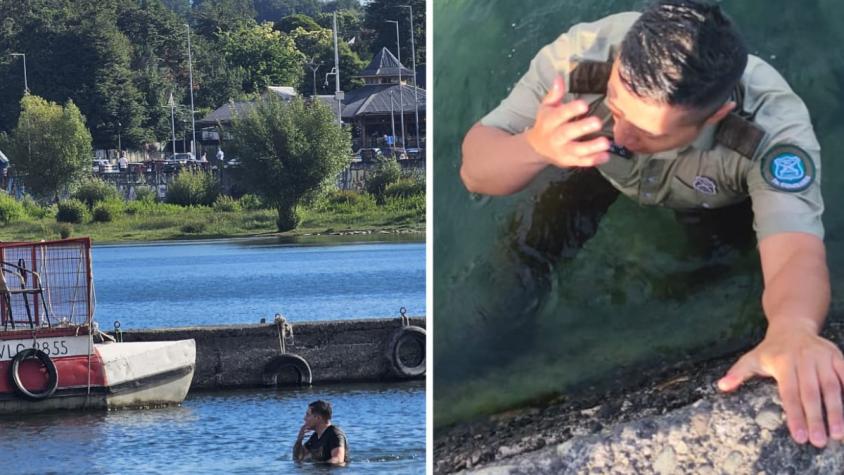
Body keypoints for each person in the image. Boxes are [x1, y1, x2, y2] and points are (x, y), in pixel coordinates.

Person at [461, 0, 841, 449]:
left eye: (648, 131)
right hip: (589, 162)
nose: (622, 135)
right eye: (618, 109)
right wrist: (534, 146)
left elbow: (795, 252)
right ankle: (489, 368)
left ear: (714, 116)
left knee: (703, 275)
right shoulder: (580, 58)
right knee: (523, 254)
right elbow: (475, 168)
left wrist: (794, 328)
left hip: (712, 198)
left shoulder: (772, 134)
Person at [293, 400, 349, 465]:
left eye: (308, 415)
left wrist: (319, 470)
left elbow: (338, 460)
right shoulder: (315, 437)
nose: (304, 418)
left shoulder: (335, 434)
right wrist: (299, 439)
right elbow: (298, 458)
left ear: (318, 418)